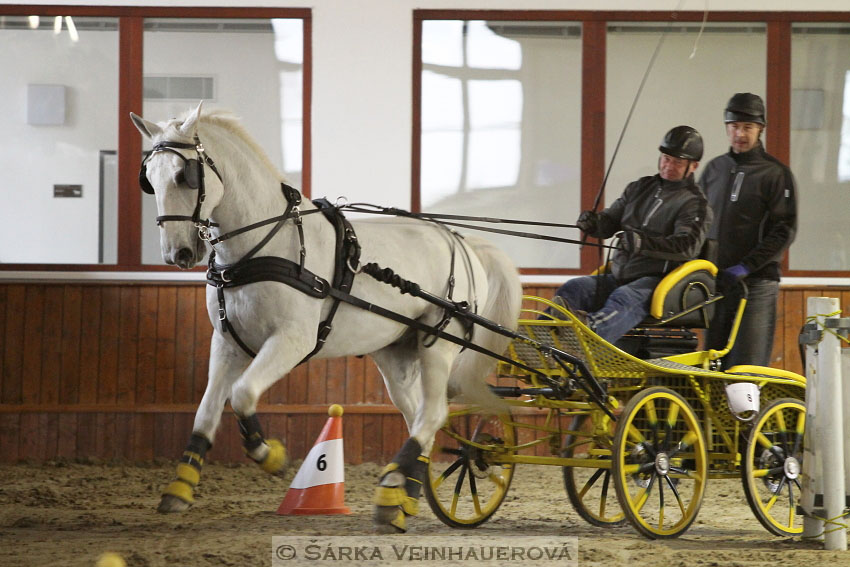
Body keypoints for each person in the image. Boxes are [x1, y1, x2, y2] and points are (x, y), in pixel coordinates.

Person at [553, 125, 711, 344]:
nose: (668, 166)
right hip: (620, 276)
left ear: (693, 166)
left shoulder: (695, 204)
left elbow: (686, 246)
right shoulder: (639, 188)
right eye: (666, 158)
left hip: (657, 282)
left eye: (677, 162)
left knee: (624, 298)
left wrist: (641, 243)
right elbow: (609, 222)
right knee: (574, 288)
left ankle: (583, 338)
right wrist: (593, 223)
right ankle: (544, 339)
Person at [699, 93, 797, 368]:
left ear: (761, 128)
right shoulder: (714, 169)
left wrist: (747, 266)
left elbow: (784, 229)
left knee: (747, 369)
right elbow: (697, 222)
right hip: (717, 283)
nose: (740, 134)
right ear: (727, 127)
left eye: (748, 127)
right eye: (735, 126)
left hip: (755, 284)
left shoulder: (775, 173)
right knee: (712, 365)